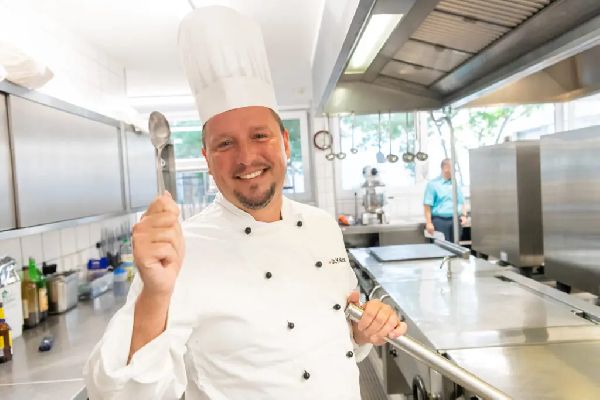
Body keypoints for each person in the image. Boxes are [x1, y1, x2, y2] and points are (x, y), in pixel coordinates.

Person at [83, 6, 406, 400]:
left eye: (259, 136)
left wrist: (362, 329)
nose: (246, 158)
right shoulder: (183, 251)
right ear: (206, 158)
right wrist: (154, 293)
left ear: (285, 143)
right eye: (225, 143)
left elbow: (336, 337)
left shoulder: (322, 225)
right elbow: (118, 392)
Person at [423, 158, 467, 243]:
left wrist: (464, 215)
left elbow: (461, 202)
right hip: (440, 221)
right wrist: (429, 223)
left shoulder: (455, 183)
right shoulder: (433, 184)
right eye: (453, 167)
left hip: (455, 221)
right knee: (442, 246)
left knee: (456, 247)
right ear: (445, 168)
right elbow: (427, 205)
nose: (455, 170)